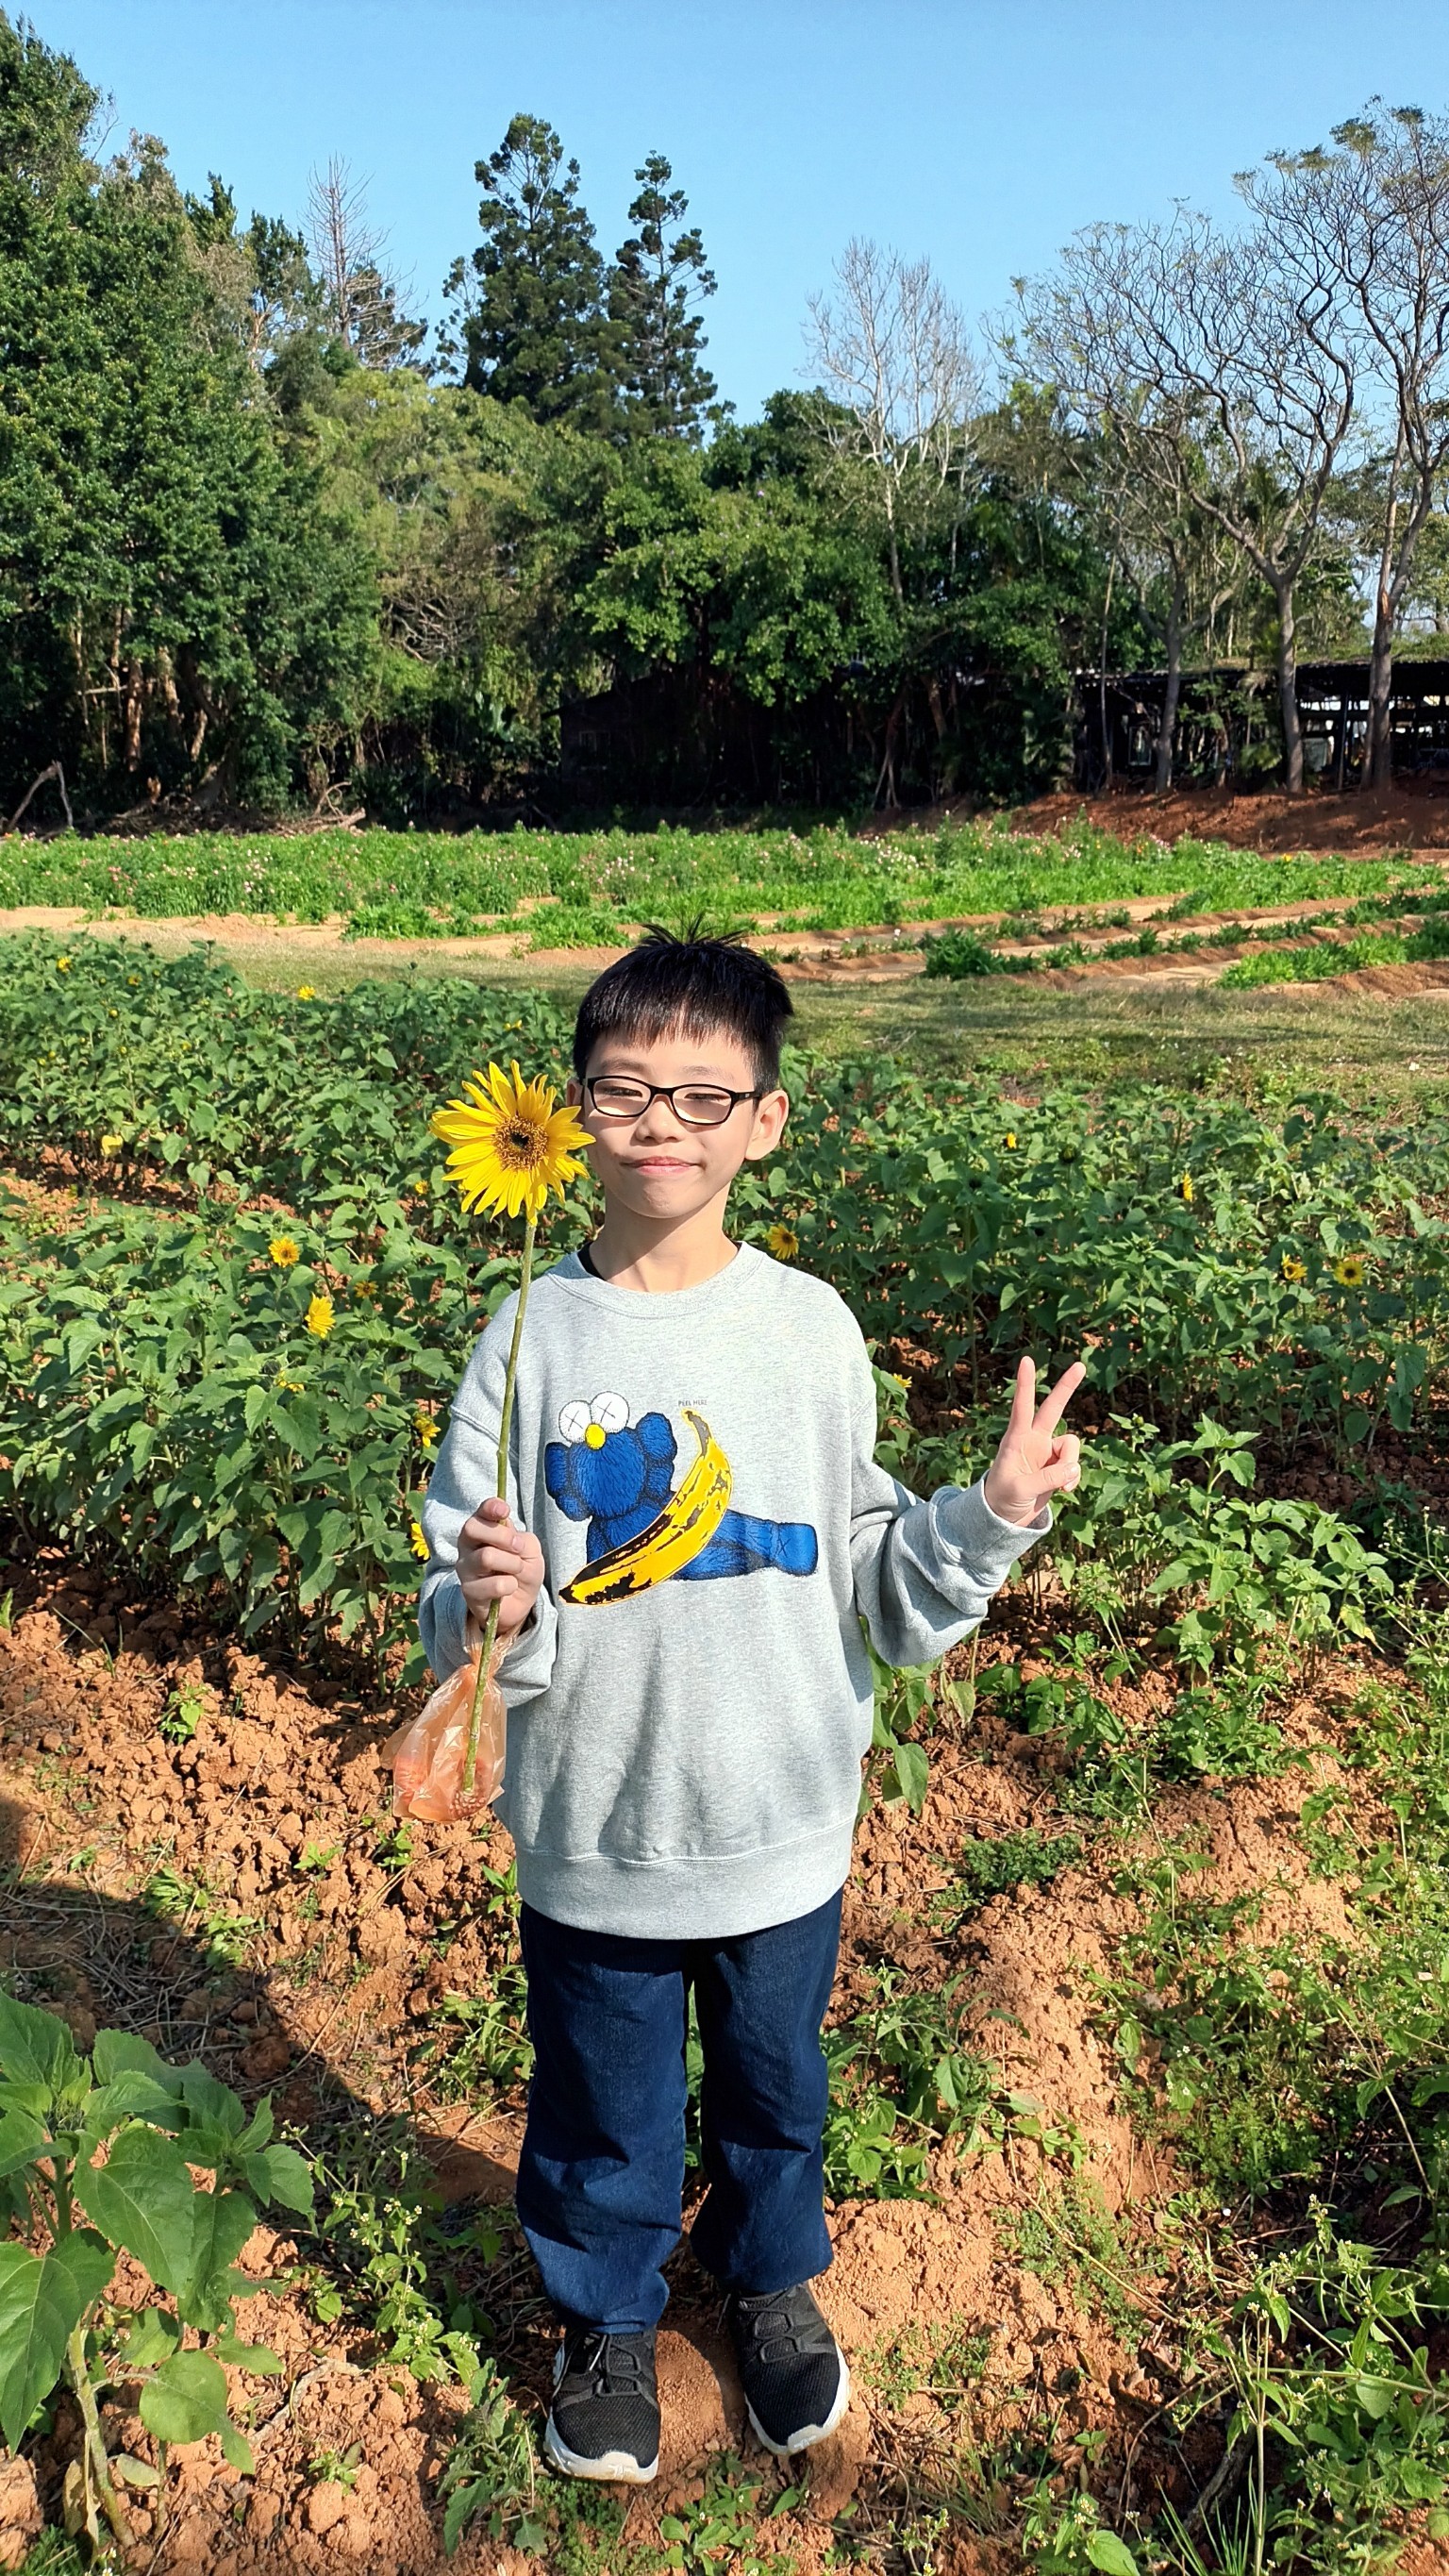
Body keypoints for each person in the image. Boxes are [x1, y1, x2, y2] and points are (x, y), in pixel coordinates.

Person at [419, 928, 1083, 2486]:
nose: (661, 1121)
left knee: (777, 2091)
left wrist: (986, 1515)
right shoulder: (524, 1338)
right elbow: (457, 1611)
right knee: (604, 2101)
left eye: (703, 1094)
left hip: (782, 1827)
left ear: (765, 1120)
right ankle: (607, 2316)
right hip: (595, 1833)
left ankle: (771, 2280)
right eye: (624, 1087)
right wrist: (488, 1602)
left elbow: (876, 1587)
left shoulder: (809, 1331)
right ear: (573, 1112)